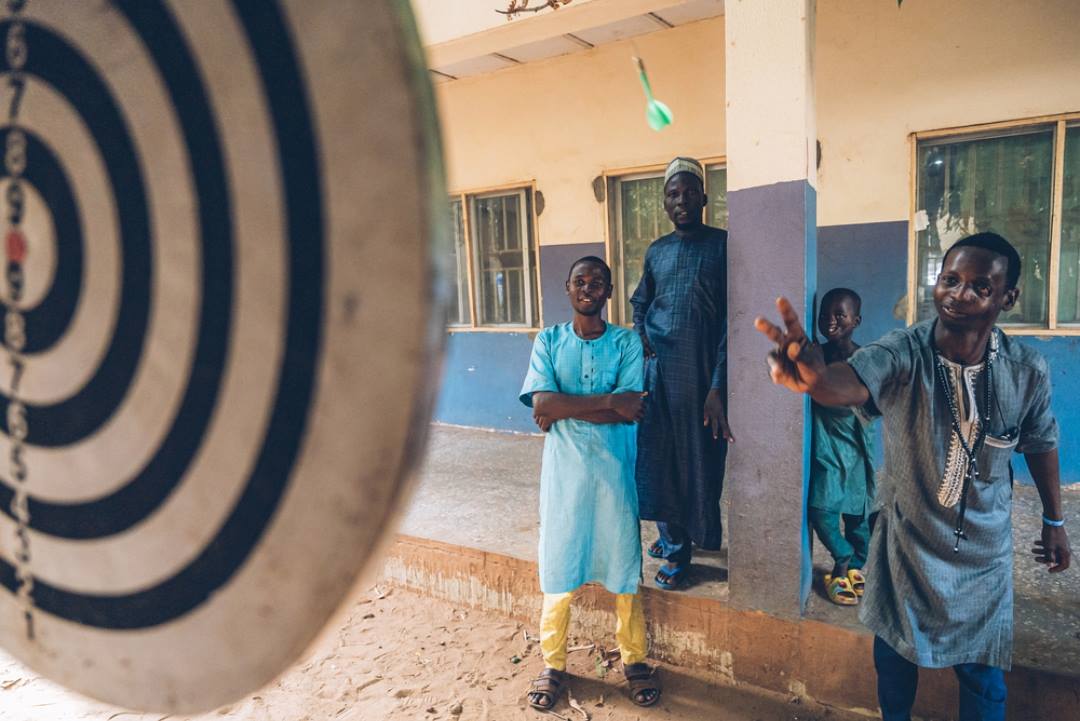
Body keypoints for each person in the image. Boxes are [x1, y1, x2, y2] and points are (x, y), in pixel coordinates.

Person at [755, 232, 1071, 721]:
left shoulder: (1025, 370)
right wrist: (817, 380)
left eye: (979, 287)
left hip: (983, 554)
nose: (958, 294)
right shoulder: (904, 351)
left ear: (1007, 298)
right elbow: (852, 383)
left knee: (982, 675)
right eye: (950, 280)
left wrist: (1054, 521)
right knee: (895, 657)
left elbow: (1040, 443)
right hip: (907, 540)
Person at [519, 256, 660, 710]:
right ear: (567, 287)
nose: (588, 288)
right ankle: (553, 663)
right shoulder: (550, 340)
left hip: (614, 474)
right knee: (559, 566)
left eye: (597, 282)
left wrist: (563, 406)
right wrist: (606, 403)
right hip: (565, 477)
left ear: (610, 291)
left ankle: (635, 660)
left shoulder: (626, 343)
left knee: (622, 566)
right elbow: (541, 400)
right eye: (580, 280)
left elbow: (632, 407)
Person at [630, 156, 733, 591]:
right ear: (665, 203)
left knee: (700, 464)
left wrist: (717, 387)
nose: (682, 200)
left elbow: (732, 318)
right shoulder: (657, 250)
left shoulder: (723, 245)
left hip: (700, 378)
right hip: (658, 377)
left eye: (690, 191)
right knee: (657, 461)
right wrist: (642, 340)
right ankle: (673, 544)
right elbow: (640, 302)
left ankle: (698, 536)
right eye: (674, 193)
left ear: (705, 198)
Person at [808, 288, 876, 606]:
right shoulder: (817, 355)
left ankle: (851, 568)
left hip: (857, 444)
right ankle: (843, 556)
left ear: (856, 320)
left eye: (840, 315)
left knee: (858, 517)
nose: (831, 322)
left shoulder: (865, 360)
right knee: (822, 510)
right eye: (825, 315)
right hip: (827, 444)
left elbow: (876, 405)